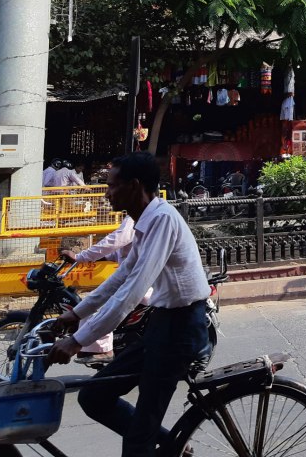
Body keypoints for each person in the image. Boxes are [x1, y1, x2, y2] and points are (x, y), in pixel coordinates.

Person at [48, 152, 211, 457]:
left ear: (134, 186)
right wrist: (76, 314)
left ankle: (159, 444)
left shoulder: (161, 220)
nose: (107, 193)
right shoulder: (144, 222)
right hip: (163, 323)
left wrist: (77, 341)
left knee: (139, 437)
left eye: (112, 185)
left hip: (182, 328)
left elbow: (132, 291)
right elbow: (121, 277)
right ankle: (173, 445)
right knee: (93, 396)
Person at [60, 215, 138, 366]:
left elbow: (115, 241)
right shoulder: (136, 217)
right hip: (131, 277)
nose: (111, 201)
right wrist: (101, 257)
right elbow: (122, 250)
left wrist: (80, 256)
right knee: (94, 300)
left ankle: (104, 350)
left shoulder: (134, 218)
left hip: (137, 281)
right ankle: (89, 347)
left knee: (98, 306)